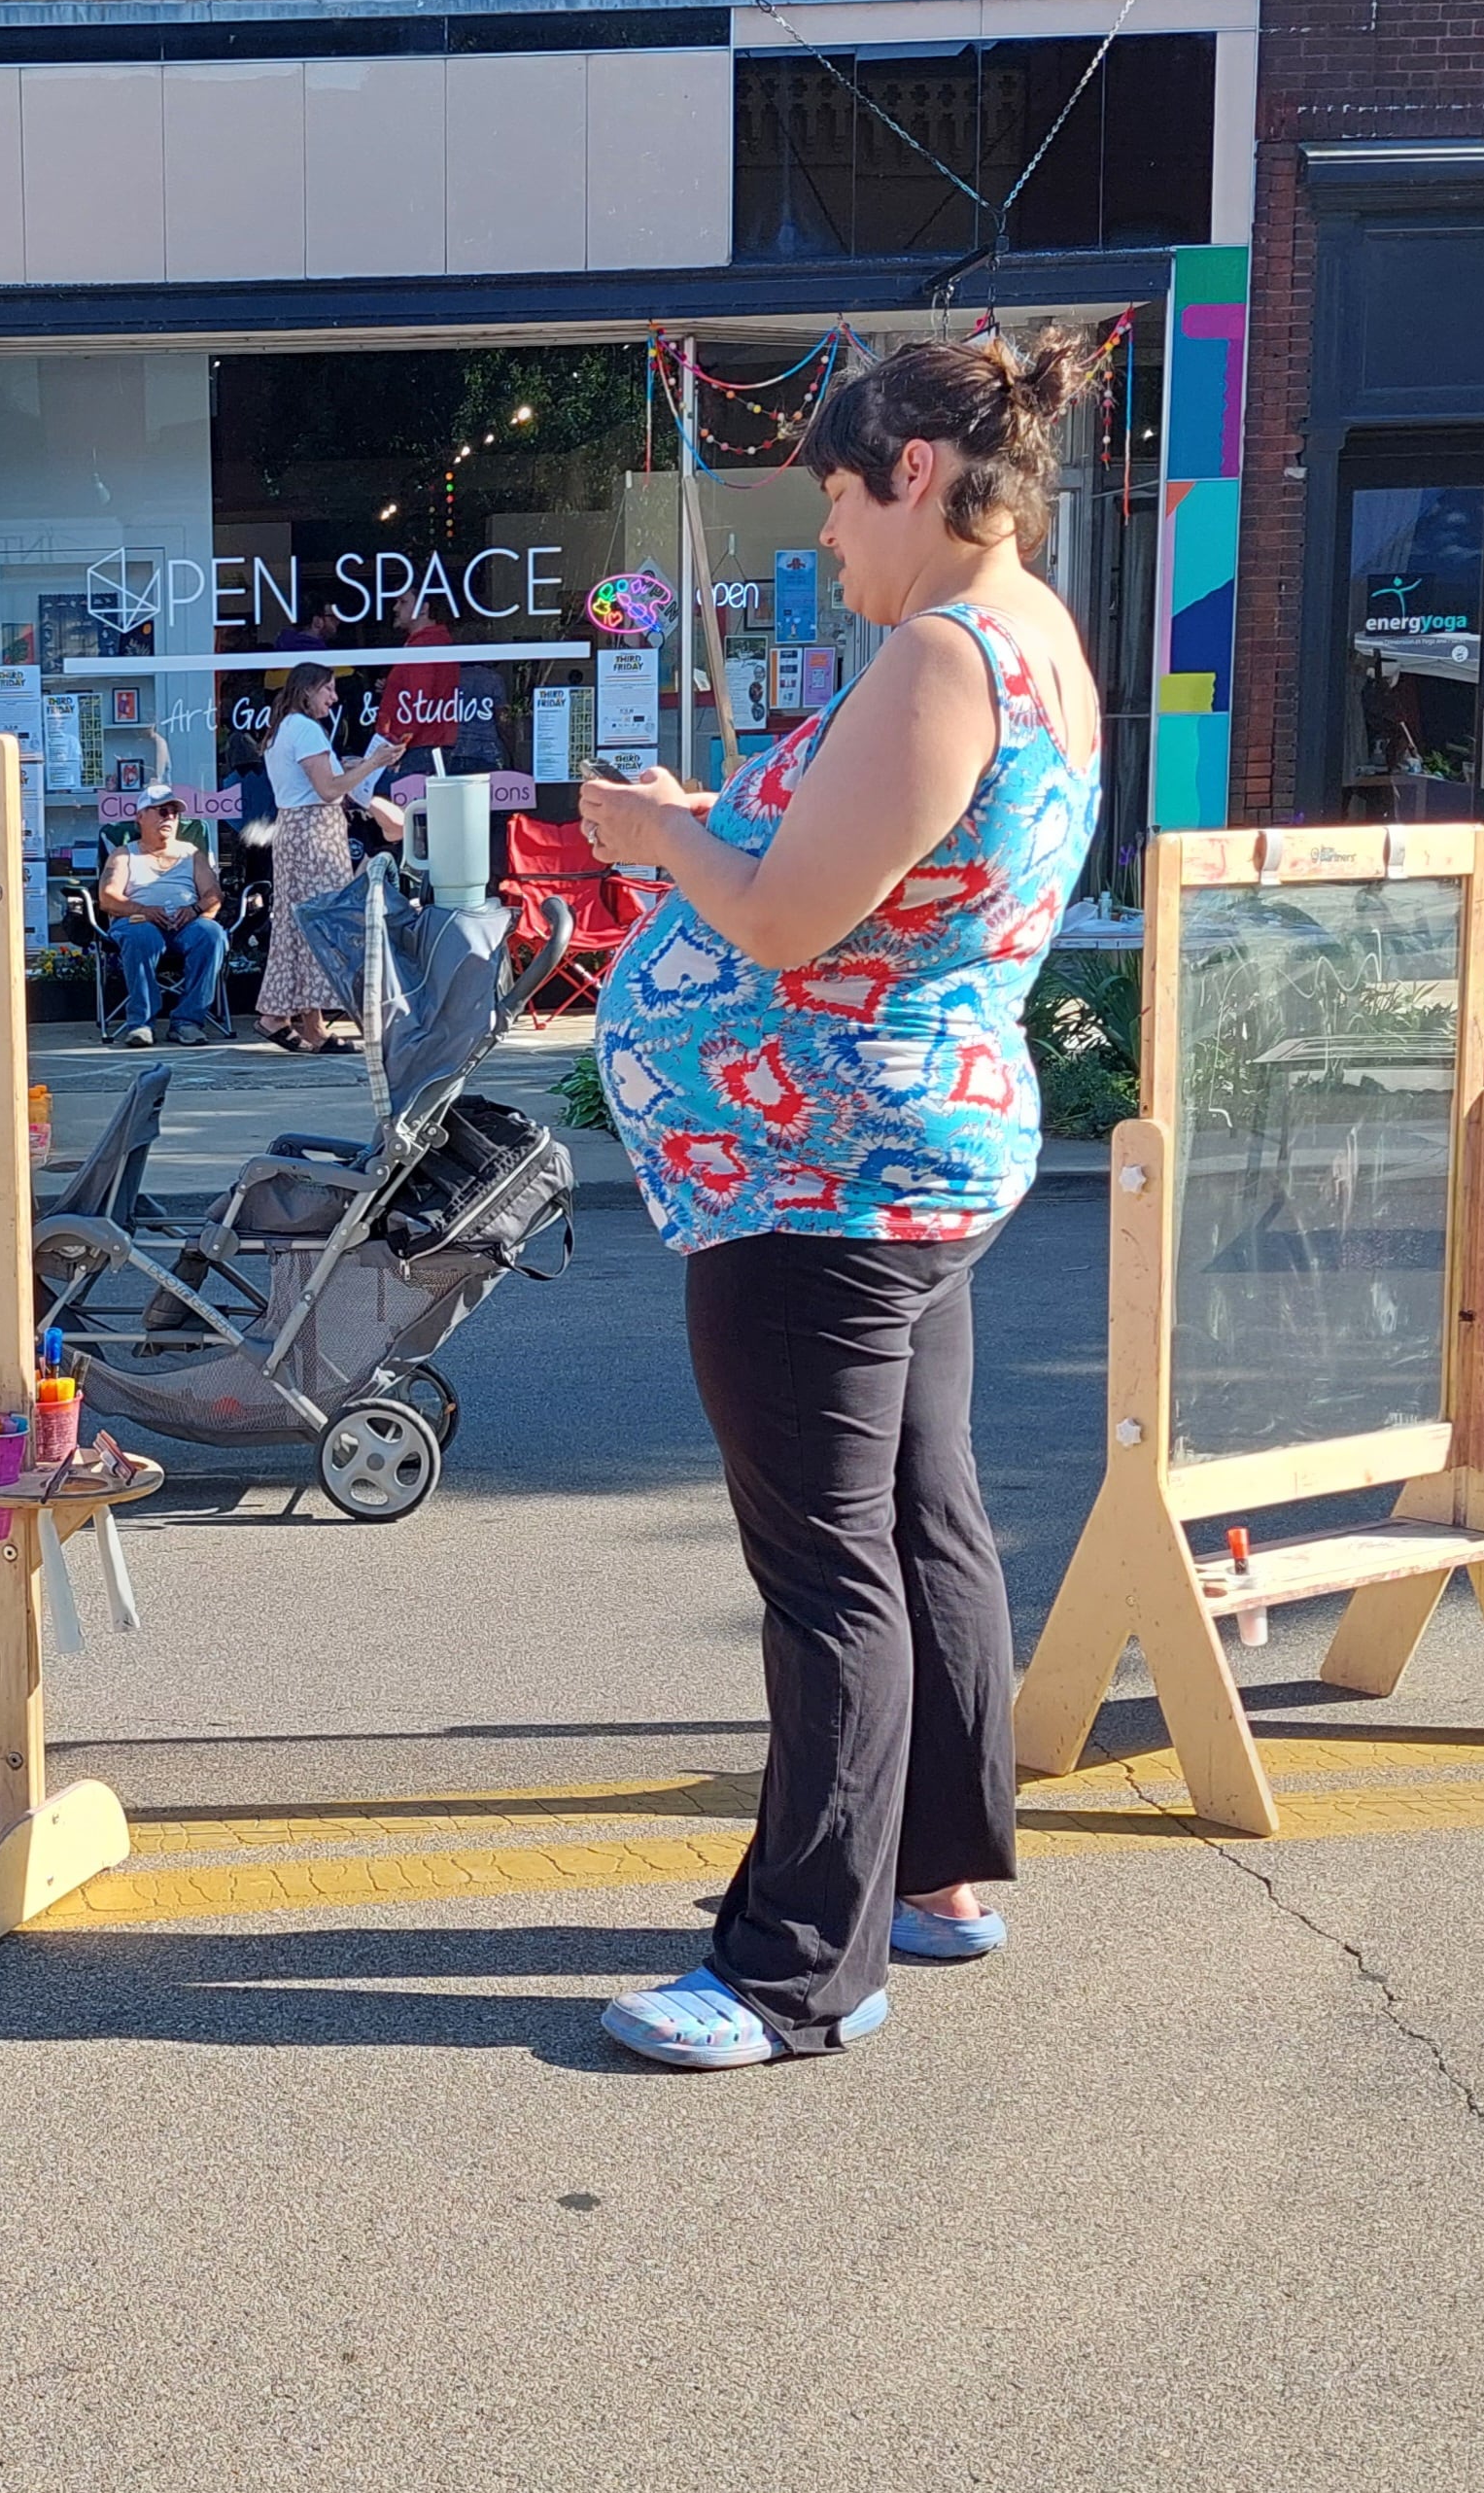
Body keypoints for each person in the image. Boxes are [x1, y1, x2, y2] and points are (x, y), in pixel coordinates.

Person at [576, 329, 1101, 2073]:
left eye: (837, 499)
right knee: (923, 1514)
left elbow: (793, 917)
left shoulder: (947, 655)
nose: (829, 542)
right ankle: (940, 1867)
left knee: (825, 1570)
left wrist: (660, 839)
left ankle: (800, 1961)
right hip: (904, 1149)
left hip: (819, 1169)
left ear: (919, 474)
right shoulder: (1039, 644)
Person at [255, 660, 404, 1054]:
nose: (334, 698)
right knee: (324, 923)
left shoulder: (285, 727)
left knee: (300, 925)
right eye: (328, 689)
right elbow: (327, 788)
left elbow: (323, 778)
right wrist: (372, 764)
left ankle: (293, 1019)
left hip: (294, 829)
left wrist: (356, 765)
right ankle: (306, 1023)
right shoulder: (305, 728)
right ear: (308, 690)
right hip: (315, 833)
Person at [98, 789, 225, 1048]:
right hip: (136, 919)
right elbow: (108, 898)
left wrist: (194, 911)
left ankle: (188, 1022)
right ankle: (141, 1023)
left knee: (211, 935)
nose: (170, 818)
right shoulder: (124, 854)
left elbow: (213, 895)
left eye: (175, 813)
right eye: (162, 811)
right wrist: (144, 911)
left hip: (186, 923)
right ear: (141, 817)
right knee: (141, 935)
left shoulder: (192, 854)